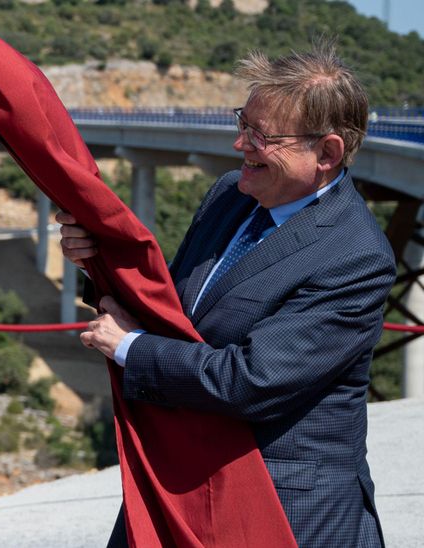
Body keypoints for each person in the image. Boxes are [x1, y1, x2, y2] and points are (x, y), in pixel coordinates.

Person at [62, 42, 392, 547]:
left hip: (281, 508)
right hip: (184, 478)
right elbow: (175, 308)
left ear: (326, 153)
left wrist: (130, 348)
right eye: (242, 122)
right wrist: (98, 262)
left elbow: (252, 381)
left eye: (261, 135)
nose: (240, 144)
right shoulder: (229, 195)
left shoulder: (355, 256)